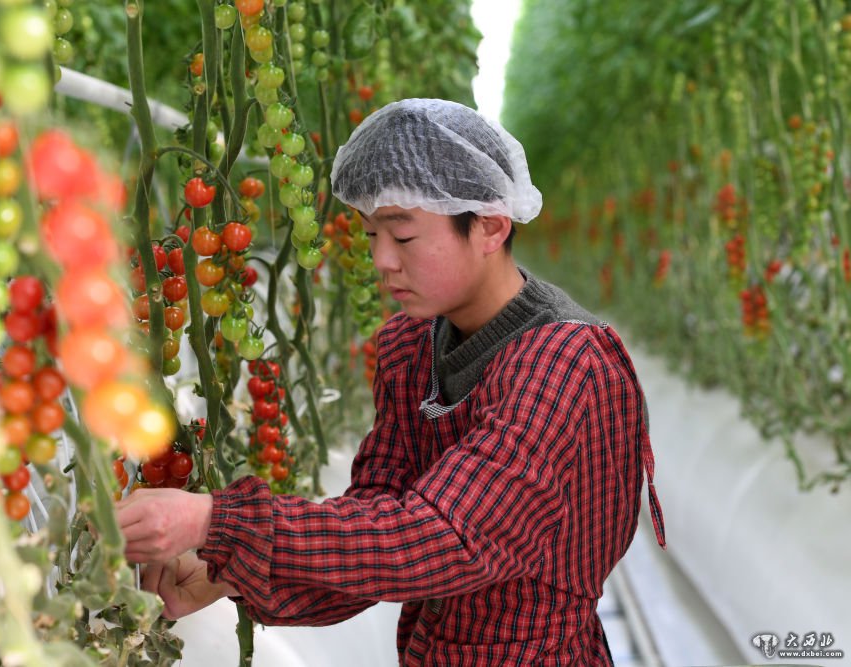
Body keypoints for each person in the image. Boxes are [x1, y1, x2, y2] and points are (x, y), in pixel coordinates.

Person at [115, 98, 666, 666]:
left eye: (402, 237)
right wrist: (229, 574)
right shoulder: (411, 345)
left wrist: (219, 521)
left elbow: (445, 536)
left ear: (491, 227)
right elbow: (379, 525)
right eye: (370, 233)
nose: (382, 260)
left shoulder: (567, 364)